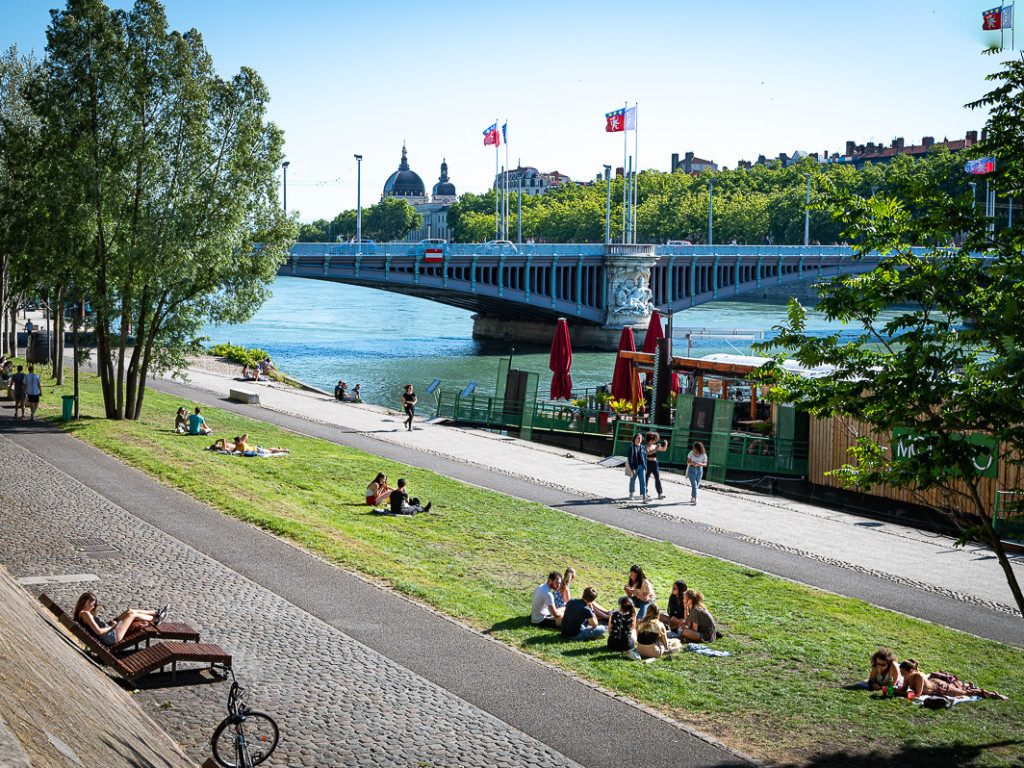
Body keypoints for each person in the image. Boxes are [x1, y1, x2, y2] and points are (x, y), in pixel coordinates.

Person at [74, 592, 168, 647]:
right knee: (132, 615)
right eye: (92, 604)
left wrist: (109, 624)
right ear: (87, 602)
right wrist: (111, 626)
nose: (93, 607)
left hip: (109, 631)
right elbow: (98, 631)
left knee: (129, 611)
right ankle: (155, 619)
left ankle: (156, 612)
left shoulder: (80, 614)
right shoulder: (85, 614)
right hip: (110, 636)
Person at [895, 659, 1007, 700]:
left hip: (940, 687)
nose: (902, 675)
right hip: (934, 683)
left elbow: (917, 694)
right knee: (963, 689)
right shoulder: (907, 677)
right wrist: (894, 691)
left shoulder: (918, 677)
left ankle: (992, 694)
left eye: (903, 673)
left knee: (966, 693)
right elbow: (904, 688)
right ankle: (966, 685)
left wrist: (903, 694)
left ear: (910, 671)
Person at [644, 432, 668, 500]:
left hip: (655, 463)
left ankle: (660, 493)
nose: (653, 441)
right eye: (652, 440)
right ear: (648, 439)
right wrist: (655, 449)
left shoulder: (655, 446)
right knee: (646, 478)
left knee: (657, 478)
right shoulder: (645, 447)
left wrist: (666, 444)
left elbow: (663, 449)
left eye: (654, 440)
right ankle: (645, 492)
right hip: (648, 462)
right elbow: (648, 453)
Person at [627, 433, 649, 501]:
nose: (639, 439)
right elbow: (630, 459)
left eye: (641, 438)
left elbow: (645, 458)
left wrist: (646, 468)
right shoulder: (632, 448)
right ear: (635, 439)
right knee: (633, 481)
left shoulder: (643, 447)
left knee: (643, 481)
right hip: (634, 467)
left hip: (642, 467)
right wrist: (632, 468)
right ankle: (631, 494)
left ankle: (644, 496)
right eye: (638, 438)